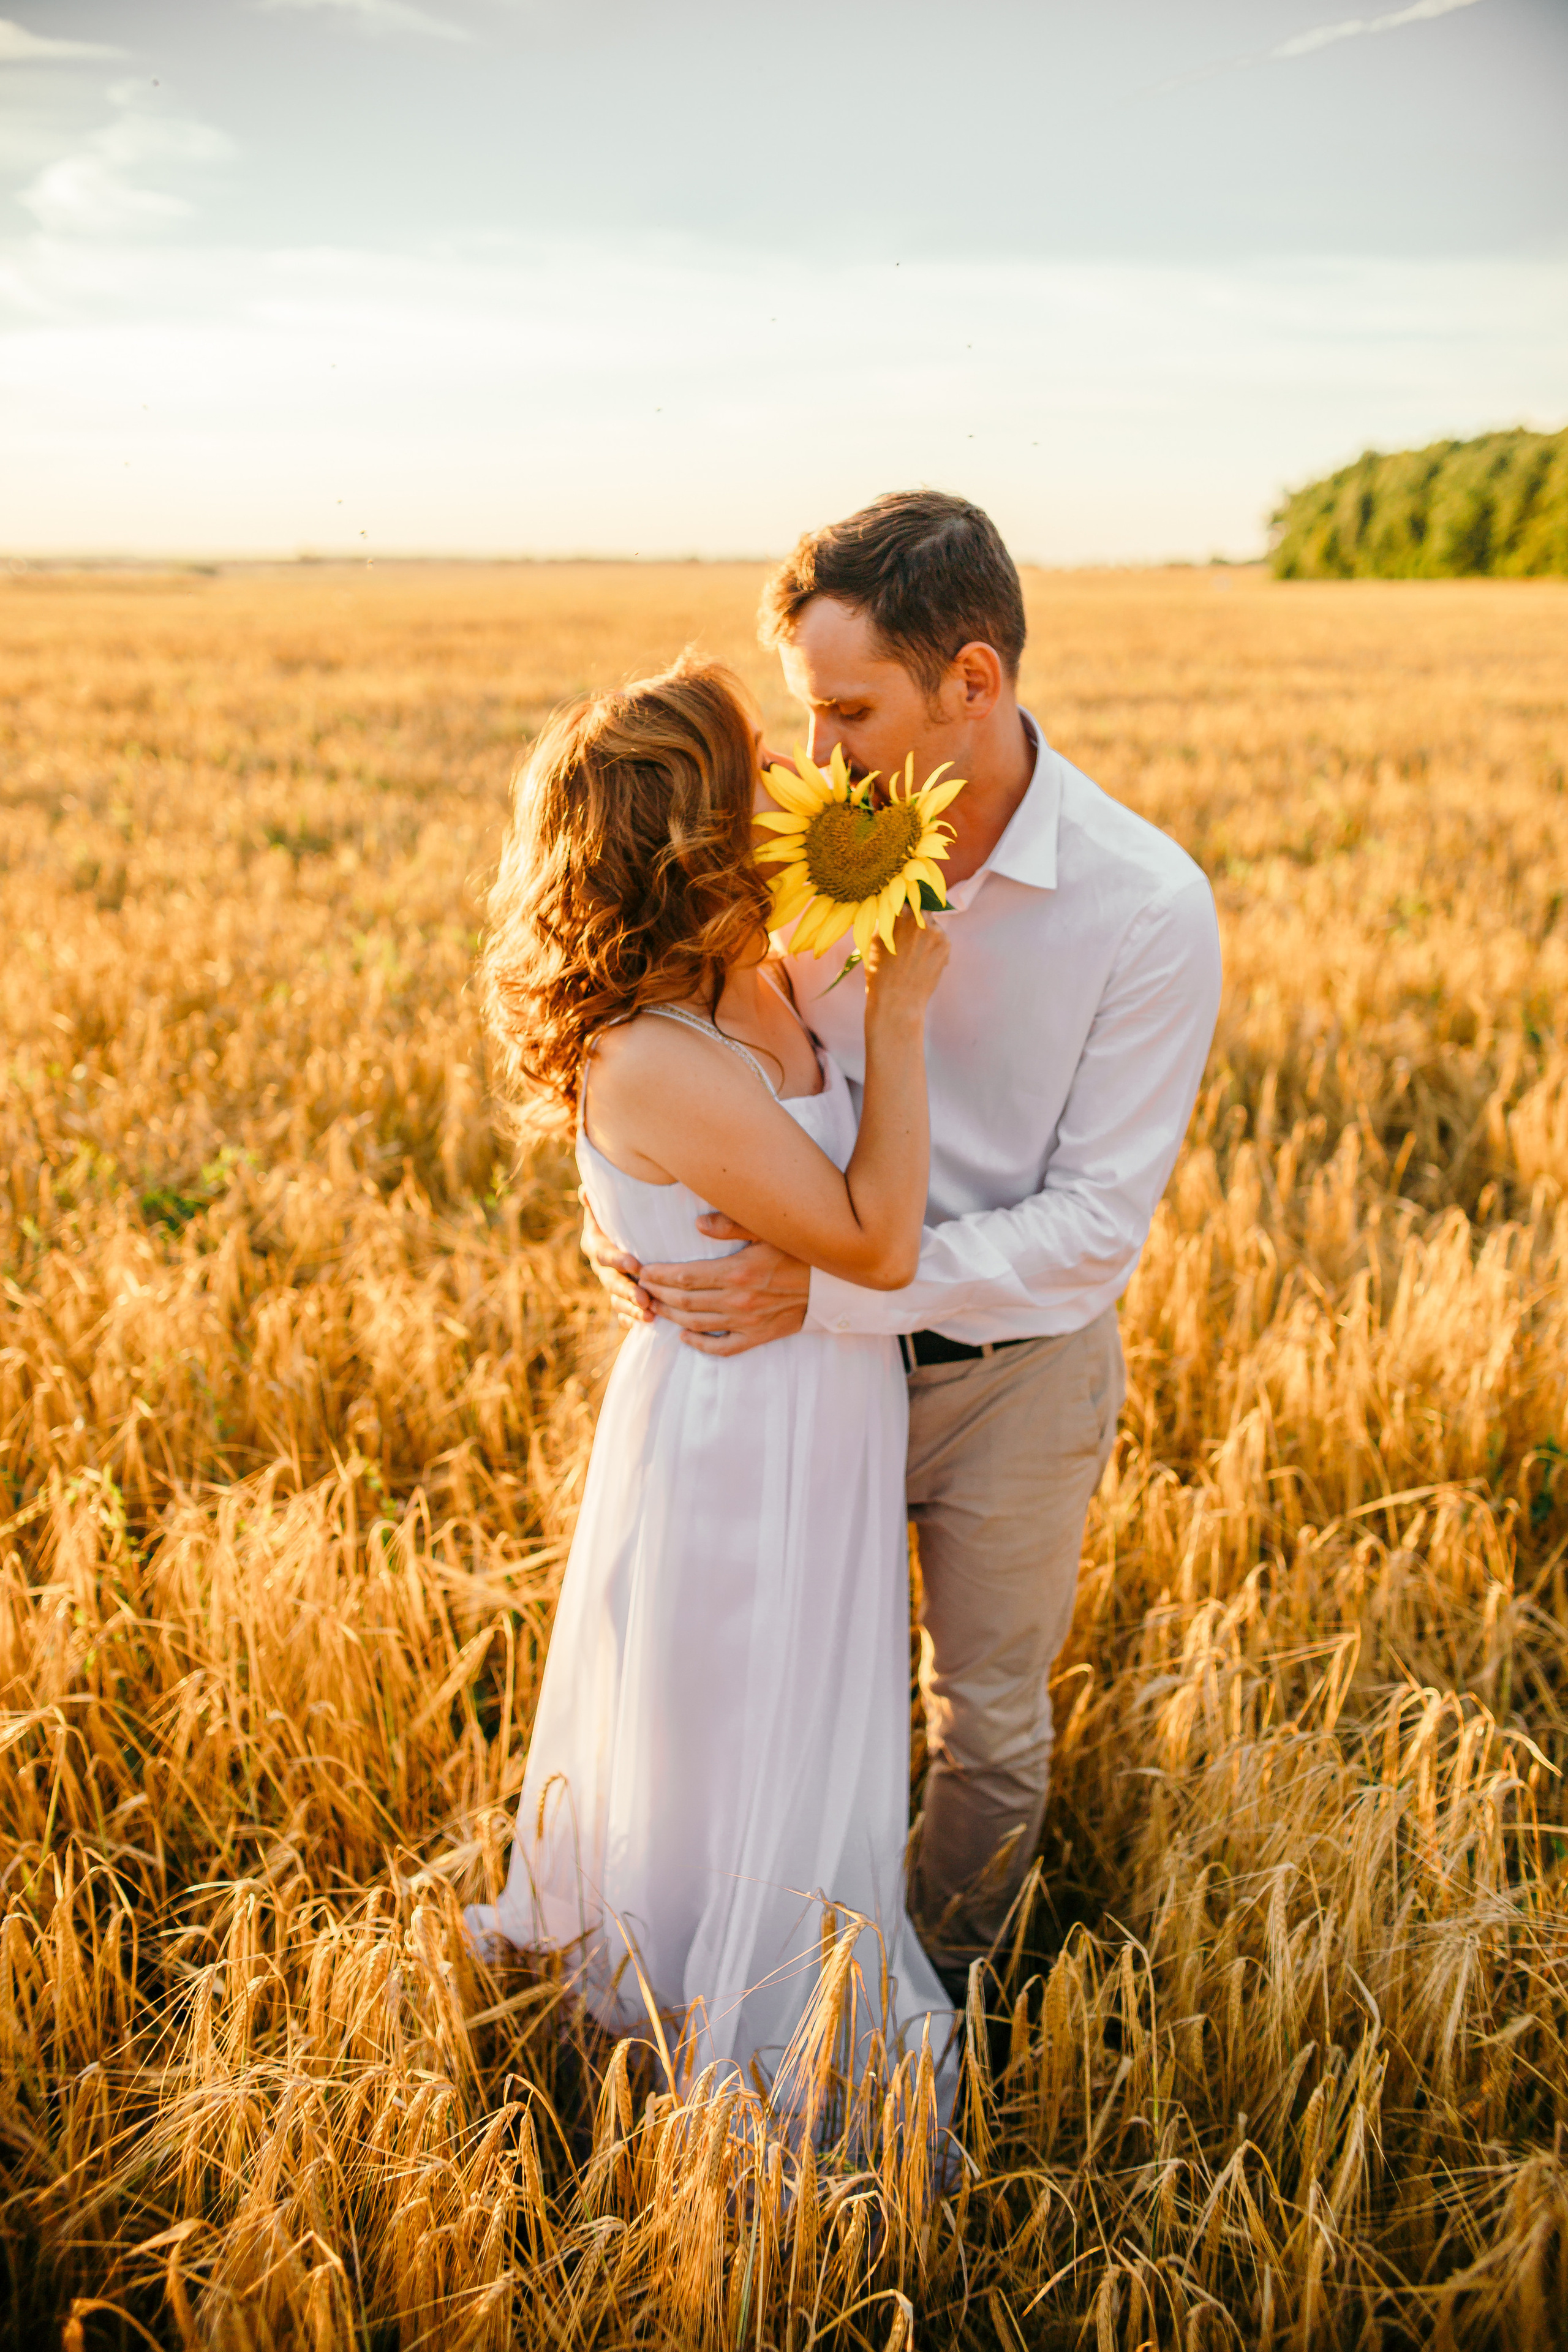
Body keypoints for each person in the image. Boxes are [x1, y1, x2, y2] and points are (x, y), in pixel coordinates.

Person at [586, 492, 1223, 1996]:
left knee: (985, 1728)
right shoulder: (798, 856)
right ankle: (803, 1994)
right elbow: (688, 1056)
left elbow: (1089, 1233)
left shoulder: (1142, 907)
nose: (814, 756)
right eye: (805, 711)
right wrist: (631, 1220)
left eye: (851, 712)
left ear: (972, 682)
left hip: (1012, 1379)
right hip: (804, 1382)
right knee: (809, 1704)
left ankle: (933, 2016)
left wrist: (828, 1288)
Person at [465, 655, 956, 2100]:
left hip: (822, 1406)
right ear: (692, 826)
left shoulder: (757, 973)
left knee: (805, 1719)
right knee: (737, 1723)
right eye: (760, 758)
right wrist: (902, 1020)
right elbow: (872, 1242)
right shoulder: (651, 1055)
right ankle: (725, 2034)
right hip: (743, 1434)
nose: (799, 767)